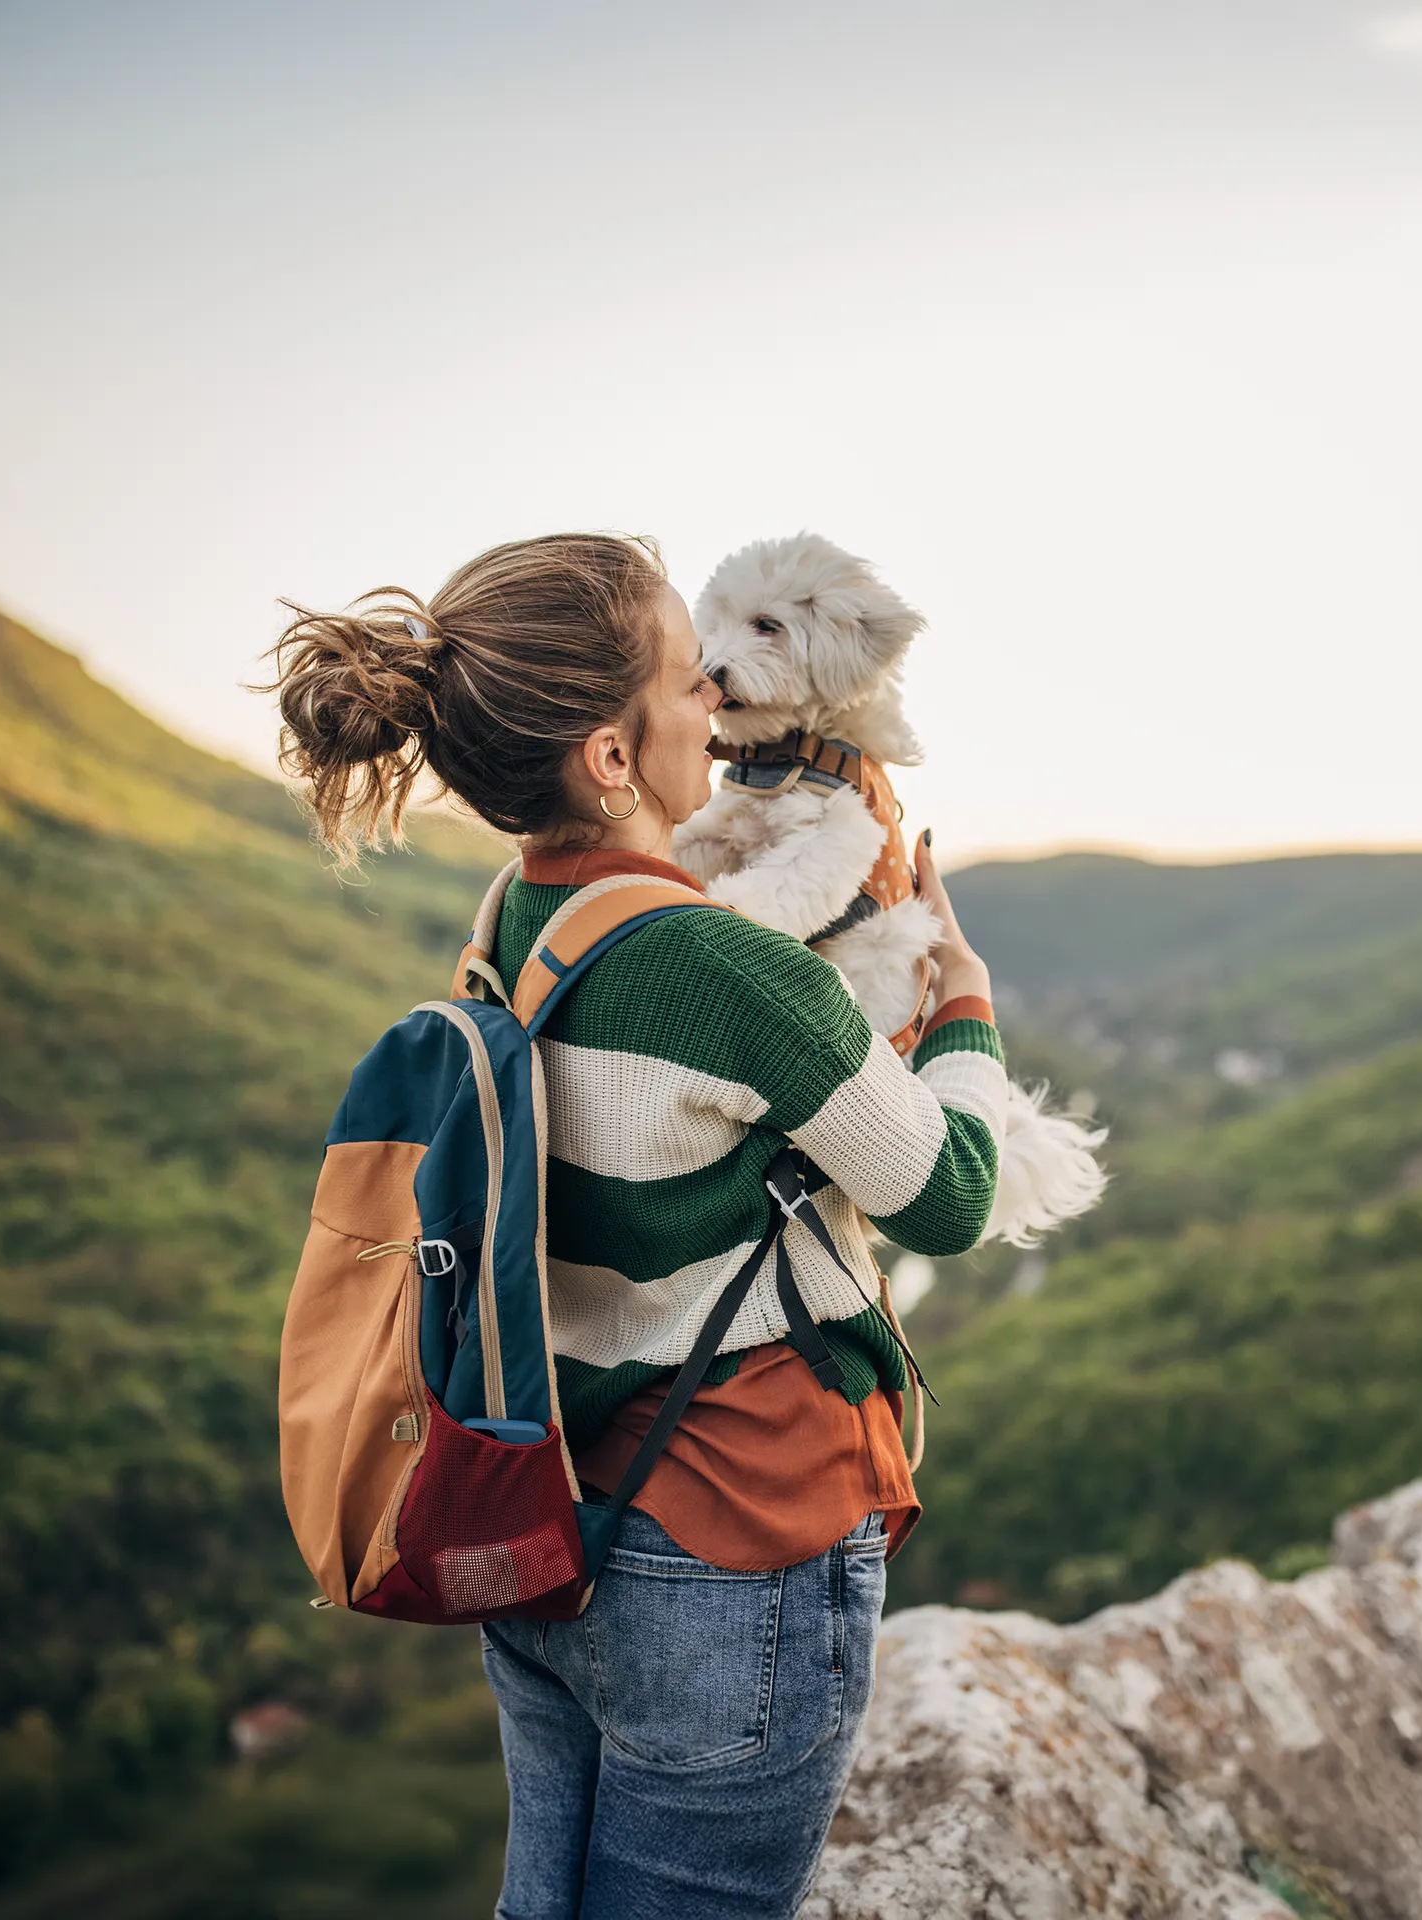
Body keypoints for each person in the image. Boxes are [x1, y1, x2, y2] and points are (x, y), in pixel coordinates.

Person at [265, 532, 1005, 1919]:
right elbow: (950, 1196)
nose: (713, 700)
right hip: (734, 1540)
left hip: (551, 1514)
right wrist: (962, 1003)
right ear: (612, 755)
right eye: (682, 680)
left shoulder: (513, 913)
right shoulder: (729, 966)